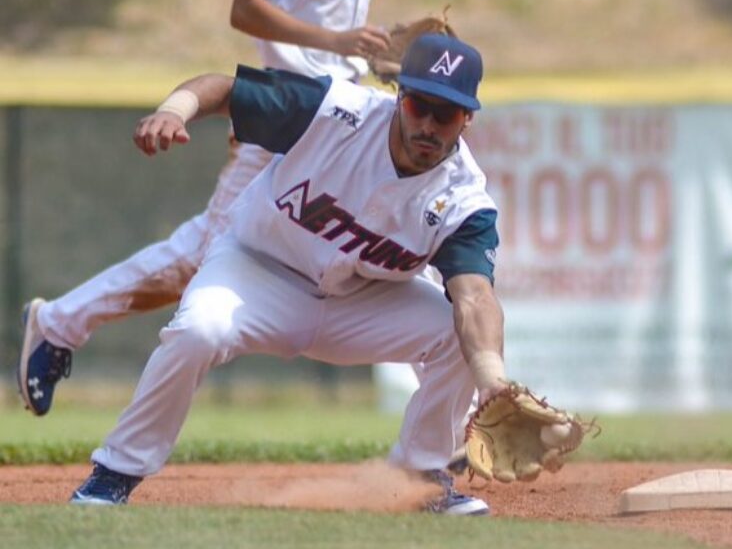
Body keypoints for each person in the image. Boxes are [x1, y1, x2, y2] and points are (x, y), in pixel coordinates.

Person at [18, 0, 393, 416]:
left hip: (336, 110)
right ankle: (58, 324)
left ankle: (61, 323)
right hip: (283, 108)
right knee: (201, 258)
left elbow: (335, 18)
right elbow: (245, 11)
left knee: (359, 222)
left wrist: (376, 49)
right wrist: (337, 46)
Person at [69, 33, 505, 516]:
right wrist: (174, 110)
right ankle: (114, 474)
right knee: (198, 331)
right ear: (399, 97)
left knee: (457, 332)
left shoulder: (465, 199)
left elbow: (474, 299)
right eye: (418, 105)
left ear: (467, 119)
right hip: (257, 270)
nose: (426, 123)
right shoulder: (337, 112)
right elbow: (223, 87)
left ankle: (420, 481)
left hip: (361, 304)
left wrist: (493, 382)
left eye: (444, 113)